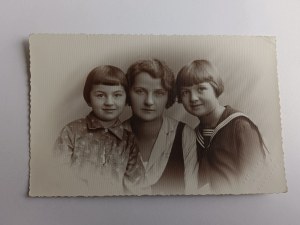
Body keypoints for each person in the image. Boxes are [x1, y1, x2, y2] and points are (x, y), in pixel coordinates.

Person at [176, 59, 268, 193]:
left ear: (215, 88)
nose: (193, 98)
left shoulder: (240, 126)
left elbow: (257, 180)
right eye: (185, 92)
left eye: (201, 89)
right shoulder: (193, 136)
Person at [54, 65, 144, 194]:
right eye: (100, 95)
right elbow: (56, 174)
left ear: (126, 99)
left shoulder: (129, 142)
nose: (109, 102)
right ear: (89, 98)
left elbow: (137, 187)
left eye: (117, 95)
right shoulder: (71, 132)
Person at [124, 59, 198, 195]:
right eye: (140, 91)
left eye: (159, 93)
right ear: (127, 93)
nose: (149, 101)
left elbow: (192, 195)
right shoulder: (112, 136)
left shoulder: (185, 135)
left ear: (168, 97)